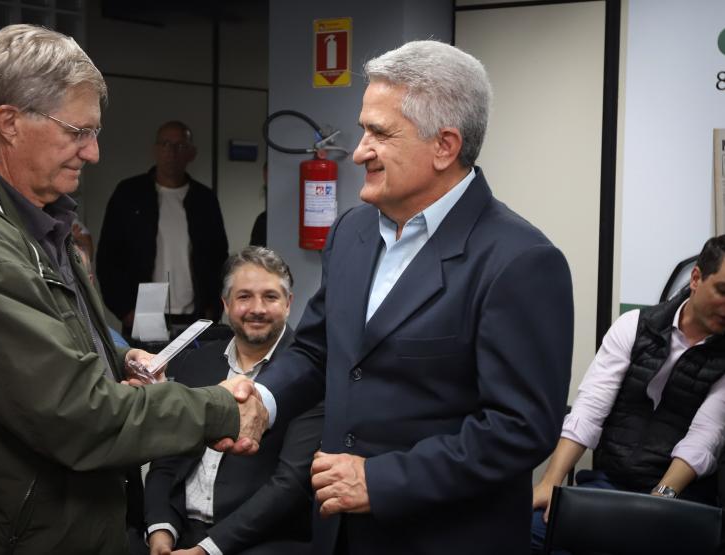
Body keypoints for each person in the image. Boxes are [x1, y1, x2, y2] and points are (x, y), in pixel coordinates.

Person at [0, 24, 264, 555]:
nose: (92, 153)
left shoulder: (41, 221)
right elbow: (75, 416)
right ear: (10, 123)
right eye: (77, 132)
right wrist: (219, 409)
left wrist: (116, 365)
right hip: (31, 532)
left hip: (73, 515)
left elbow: (46, 365)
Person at [227, 40, 575, 554]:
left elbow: (520, 428)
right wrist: (265, 399)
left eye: (379, 133)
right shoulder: (353, 232)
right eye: (364, 128)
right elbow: (318, 349)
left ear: (445, 146)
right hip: (339, 532)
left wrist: (382, 480)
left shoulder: (520, 261)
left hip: (444, 538)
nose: (360, 150)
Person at [530, 235, 725, 553]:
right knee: (532, 534)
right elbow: (590, 409)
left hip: (679, 496)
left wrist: (657, 503)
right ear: (696, 278)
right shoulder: (634, 327)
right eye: (723, 291)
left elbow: (704, 439)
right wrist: (551, 481)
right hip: (609, 484)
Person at [143, 246, 321, 555]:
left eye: (270, 297)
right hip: (180, 532)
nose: (257, 308)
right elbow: (166, 456)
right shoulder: (195, 363)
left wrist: (206, 550)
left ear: (289, 304)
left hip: (261, 541)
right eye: (244, 297)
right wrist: (160, 532)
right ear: (226, 304)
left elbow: (290, 483)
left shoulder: (309, 372)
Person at [96, 121, 228, 335]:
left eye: (180, 145)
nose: (171, 152)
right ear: (155, 150)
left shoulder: (204, 200)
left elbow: (219, 257)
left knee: (194, 367)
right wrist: (124, 310)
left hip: (196, 313)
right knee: (145, 367)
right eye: (165, 144)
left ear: (191, 153)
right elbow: (109, 257)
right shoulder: (129, 194)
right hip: (144, 311)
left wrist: (214, 307)